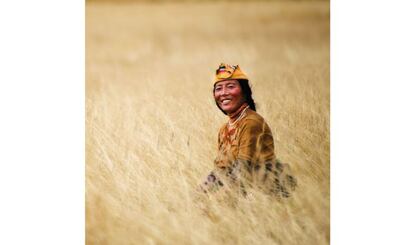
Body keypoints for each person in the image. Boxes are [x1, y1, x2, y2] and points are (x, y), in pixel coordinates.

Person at [200, 63, 297, 198]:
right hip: (245, 192)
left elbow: (242, 170)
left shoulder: (251, 122)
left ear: (245, 92)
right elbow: (220, 171)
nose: (223, 93)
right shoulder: (225, 129)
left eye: (230, 86)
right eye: (218, 88)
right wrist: (199, 195)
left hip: (267, 194)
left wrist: (224, 202)